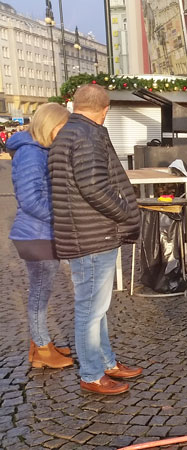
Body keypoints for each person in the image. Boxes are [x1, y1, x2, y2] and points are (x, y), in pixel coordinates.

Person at [48, 84, 142, 395]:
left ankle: (105, 361)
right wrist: (125, 213)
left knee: (96, 308)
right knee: (90, 309)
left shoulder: (69, 133)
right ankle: (91, 372)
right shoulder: (86, 136)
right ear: (105, 110)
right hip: (91, 235)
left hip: (83, 233)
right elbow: (93, 187)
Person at [7, 103, 73, 370]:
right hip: (37, 234)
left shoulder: (37, 151)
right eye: (62, 127)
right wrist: (64, 218)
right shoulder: (32, 154)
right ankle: (42, 348)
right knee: (38, 293)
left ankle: (40, 346)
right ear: (50, 125)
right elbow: (31, 200)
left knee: (41, 292)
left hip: (40, 233)